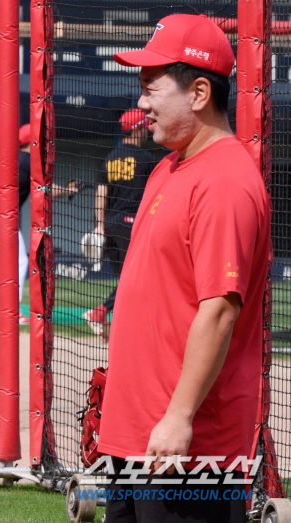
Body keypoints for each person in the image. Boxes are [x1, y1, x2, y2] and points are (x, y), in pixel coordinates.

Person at [97, 14, 271, 523]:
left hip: (190, 451)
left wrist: (177, 418)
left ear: (198, 93)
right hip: (140, 441)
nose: (142, 104)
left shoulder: (224, 181)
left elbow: (218, 310)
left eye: (151, 89)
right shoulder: (170, 167)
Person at [0, 123, 80, 324]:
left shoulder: (15, 159)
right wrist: (69, 191)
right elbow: (45, 189)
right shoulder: (28, 160)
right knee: (19, 262)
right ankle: (12, 314)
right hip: (2, 218)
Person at [82, 108, 157, 338]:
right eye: (144, 126)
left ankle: (108, 314)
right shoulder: (146, 159)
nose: (146, 130)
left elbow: (101, 192)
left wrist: (100, 224)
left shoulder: (111, 157)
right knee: (141, 276)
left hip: (112, 224)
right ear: (138, 129)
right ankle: (103, 312)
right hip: (132, 224)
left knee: (129, 277)